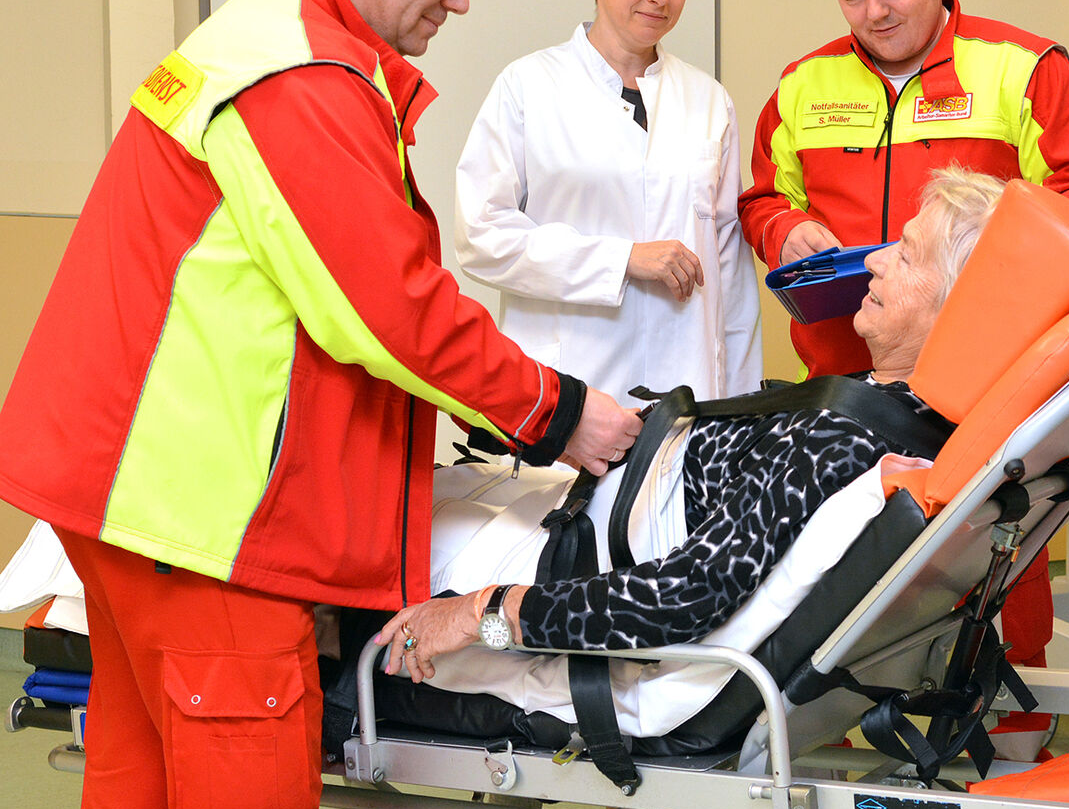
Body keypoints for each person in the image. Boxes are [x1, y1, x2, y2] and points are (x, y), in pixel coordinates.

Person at [0, 0, 643, 809]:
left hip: (131, 500)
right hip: (207, 525)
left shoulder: (259, 36)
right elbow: (387, 303)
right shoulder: (301, 77)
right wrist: (558, 413)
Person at [378, 165, 1002, 676]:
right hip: (602, 495)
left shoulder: (845, 437)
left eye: (909, 257)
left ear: (959, 311)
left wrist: (478, 615)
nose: (875, 262)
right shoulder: (887, 404)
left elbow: (682, 596)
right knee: (401, 490)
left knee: (370, 529)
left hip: (587, 548)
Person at [738, 0, 1069, 380]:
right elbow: (764, 200)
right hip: (840, 377)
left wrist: (984, 258)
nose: (875, 12)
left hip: (982, 378)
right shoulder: (802, 83)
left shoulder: (1023, 69)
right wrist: (784, 231)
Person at [455, 0, 762, 404]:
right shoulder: (528, 86)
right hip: (571, 385)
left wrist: (740, 410)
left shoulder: (709, 101)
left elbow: (730, 273)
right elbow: (482, 237)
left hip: (686, 392)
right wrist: (619, 260)